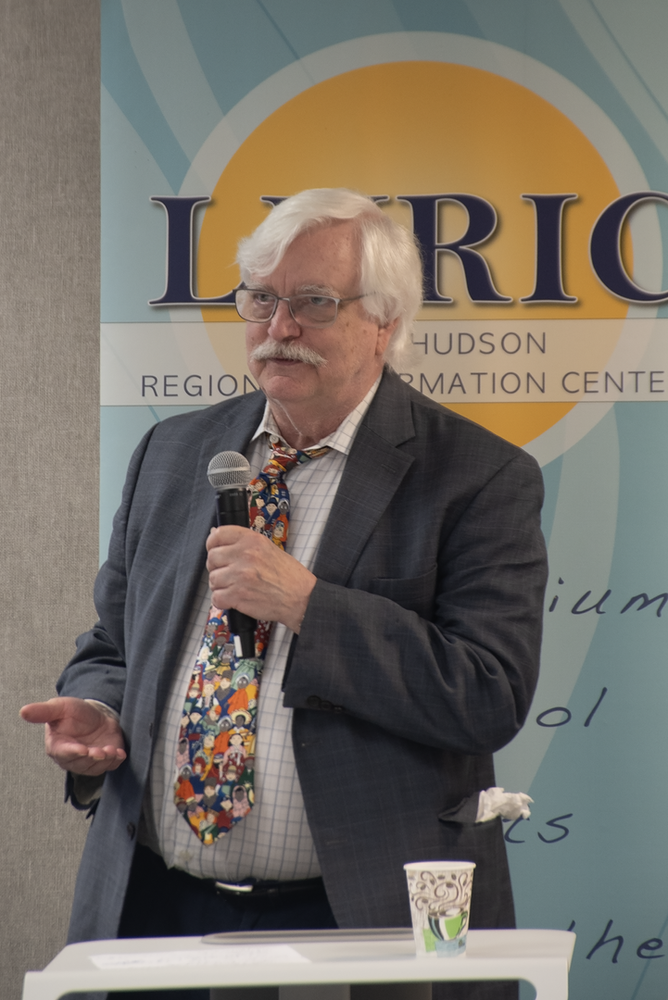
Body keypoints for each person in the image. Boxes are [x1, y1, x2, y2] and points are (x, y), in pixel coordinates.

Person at [21, 188, 547, 1000]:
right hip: (157, 905)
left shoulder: (476, 477)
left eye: (312, 303)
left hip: (361, 923)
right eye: (261, 299)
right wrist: (101, 712)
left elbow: (488, 694)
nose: (280, 328)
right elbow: (114, 646)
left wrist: (309, 606)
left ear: (386, 322)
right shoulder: (173, 451)